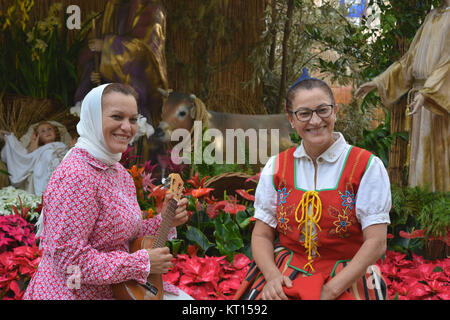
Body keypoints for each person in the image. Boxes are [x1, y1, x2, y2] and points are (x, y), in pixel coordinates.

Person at [23, 83, 192, 300]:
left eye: (132, 119)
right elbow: (70, 262)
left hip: (116, 290)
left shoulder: (118, 172)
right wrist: (141, 263)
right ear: (93, 118)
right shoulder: (76, 176)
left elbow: (123, 236)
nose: (127, 127)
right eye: (116, 117)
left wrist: (166, 220)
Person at [234, 69, 391, 300]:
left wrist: (329, 291)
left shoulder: (366, 166)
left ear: (335, 111)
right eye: (304, 113)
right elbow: (261, 236)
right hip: (285, 273)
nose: (315, 121)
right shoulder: (276, 166)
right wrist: (273, 277)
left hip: (347, 277)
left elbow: (376, 243)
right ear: (291, 119)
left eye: (322, 110)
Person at [354, 1, 449, 192]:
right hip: (421, 101)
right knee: (421, 163)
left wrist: (428, 93)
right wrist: (379, 82)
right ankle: (422, 213)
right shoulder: (431, 16)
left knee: (440, 161)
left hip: (438, 103)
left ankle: (441, 213)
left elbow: (448, 63)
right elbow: (409, 60)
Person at [0, 121, 71, 196]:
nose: (47, 132)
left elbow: (67, 154)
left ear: (55, 132)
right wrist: (11, 138)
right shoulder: (40, 149)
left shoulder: (61, 145)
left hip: (61, 166)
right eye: (42, 131)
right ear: (38, 136)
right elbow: (29, 156)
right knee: (47, 155)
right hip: (45, 168)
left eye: (50, 129)